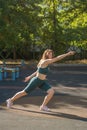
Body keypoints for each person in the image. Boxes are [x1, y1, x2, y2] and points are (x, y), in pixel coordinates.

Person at [6, 49, 75, 111]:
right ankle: (10, 100)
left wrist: (29, 77)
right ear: (46, 54)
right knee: (24, 92)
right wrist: (67, 54)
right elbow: (57, 58)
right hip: (36, 81)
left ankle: (43, 106)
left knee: (51, 92)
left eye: (51, 53)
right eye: (49, 53)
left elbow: (37, 71)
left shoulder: (44, 62)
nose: (51, 55)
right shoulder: (45, 61)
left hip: (42, 81)